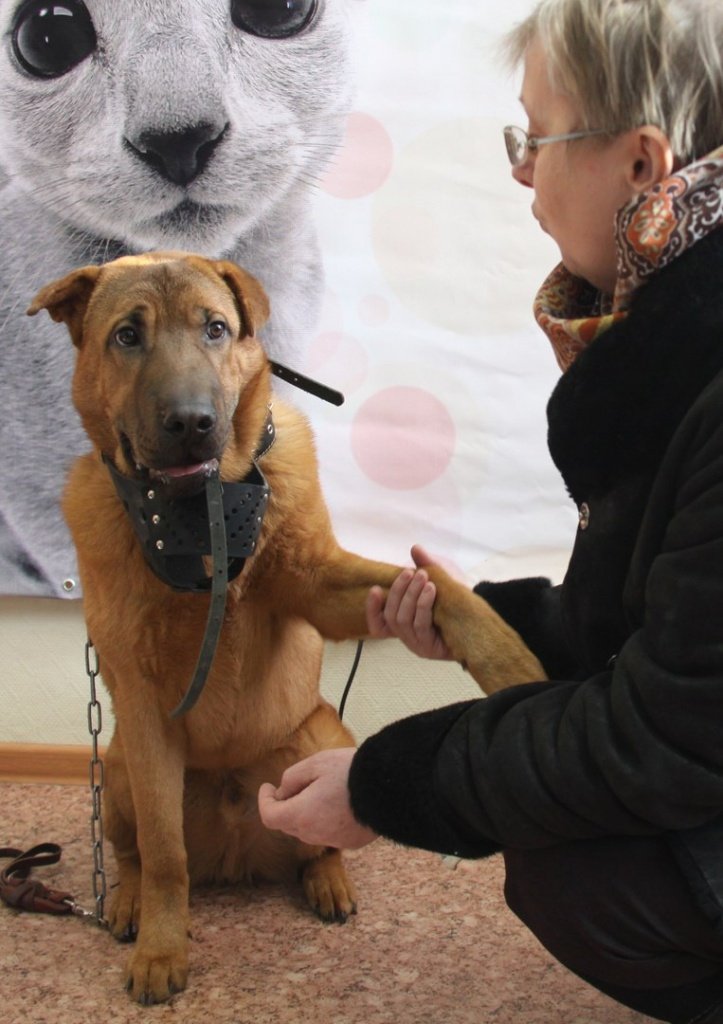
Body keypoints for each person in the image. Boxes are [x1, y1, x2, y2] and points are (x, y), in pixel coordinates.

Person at [258, 1, 723, 1020]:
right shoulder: (674, 354)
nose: (522, 171)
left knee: (575, 872)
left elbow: (669, 735)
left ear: (643, 167)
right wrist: (478, 623)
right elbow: (658, 629)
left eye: (536, 136)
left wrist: (383, 785)